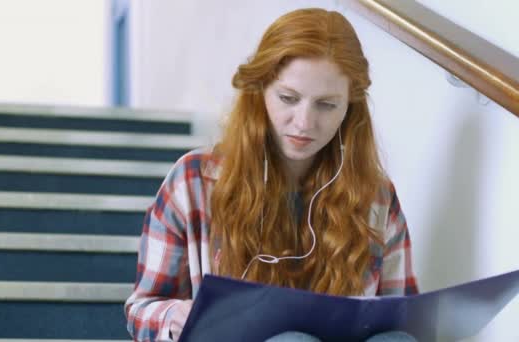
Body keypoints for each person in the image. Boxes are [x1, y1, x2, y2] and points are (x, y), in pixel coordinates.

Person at [125, 8, 418, 342]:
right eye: (288, 98)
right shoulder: (194, 181)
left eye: (327, 105)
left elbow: (400, 317)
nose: (305, 123)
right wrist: (173, 316)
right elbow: (141, 310)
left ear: (349, 108)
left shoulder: (376, 197)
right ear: (259, 92)